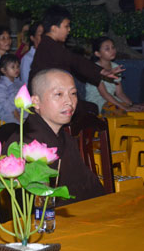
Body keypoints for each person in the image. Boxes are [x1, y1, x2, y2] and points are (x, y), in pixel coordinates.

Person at [7, 69, 104, 205]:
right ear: (36, 101)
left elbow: (90, 185)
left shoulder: (66, 139)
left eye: (73, 93)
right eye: (59, 94)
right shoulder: (24, 144)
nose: (69, 101)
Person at [28, 5, 122, 91]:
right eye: (66, 26)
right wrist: (102, 71)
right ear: (54, 28)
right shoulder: (50, 46)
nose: (69, 30)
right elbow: (75, 60)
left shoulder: (48, 44)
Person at [85, 36, 142, 114]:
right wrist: (125, 108)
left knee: (137, 110)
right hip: (97, 101)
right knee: (119, 111)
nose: (112, 51)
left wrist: (131, 105)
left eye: (113, 47)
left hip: (112, 99)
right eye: (107, 49)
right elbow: (104, 94)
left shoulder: (115, 67)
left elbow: (119, 93)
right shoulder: (95, 68)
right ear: (97, 53)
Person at [0, 53, 23, 124]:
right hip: (5, 113)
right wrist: (17, 115)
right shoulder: (0, 85)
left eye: (17, 66)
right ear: (3, 70)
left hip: (18, 110)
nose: (16, 69)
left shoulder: (18, 82)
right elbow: (5, 103)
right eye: (13, 67)